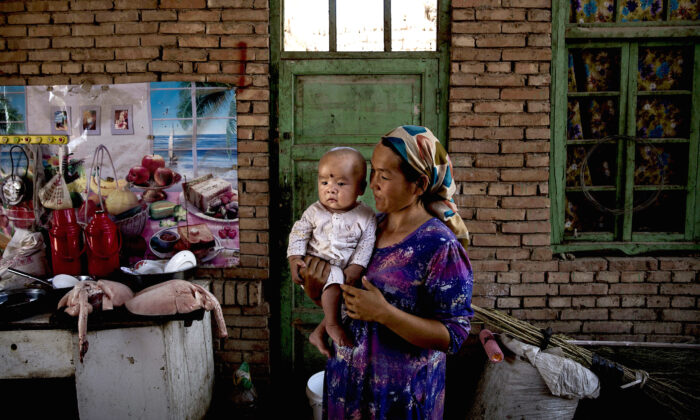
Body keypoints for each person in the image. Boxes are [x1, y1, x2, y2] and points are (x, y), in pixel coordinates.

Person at [299, 125, 473, 420]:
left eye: (384, 175)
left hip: (399, 401)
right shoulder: (368, 229)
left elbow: (453, 335)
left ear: (418, 184)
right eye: (373, 172)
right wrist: (318, 292)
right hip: (348, 389)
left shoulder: (439, 246)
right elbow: (350, 308)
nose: (372, 183)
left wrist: (385, 314)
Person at [287, 147, 376, 348]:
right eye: (324, 182)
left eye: (341, 183)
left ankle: (318, 332)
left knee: (346, 304)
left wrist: (357, 265)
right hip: (314, 270)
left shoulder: (366, 216)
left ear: (361, 188)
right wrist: (294, 258)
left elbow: (367, 243)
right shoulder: (314, 211)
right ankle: (332, 325)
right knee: (336, 286)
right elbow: (298, 234)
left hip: (347, 273)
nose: (331, 189)